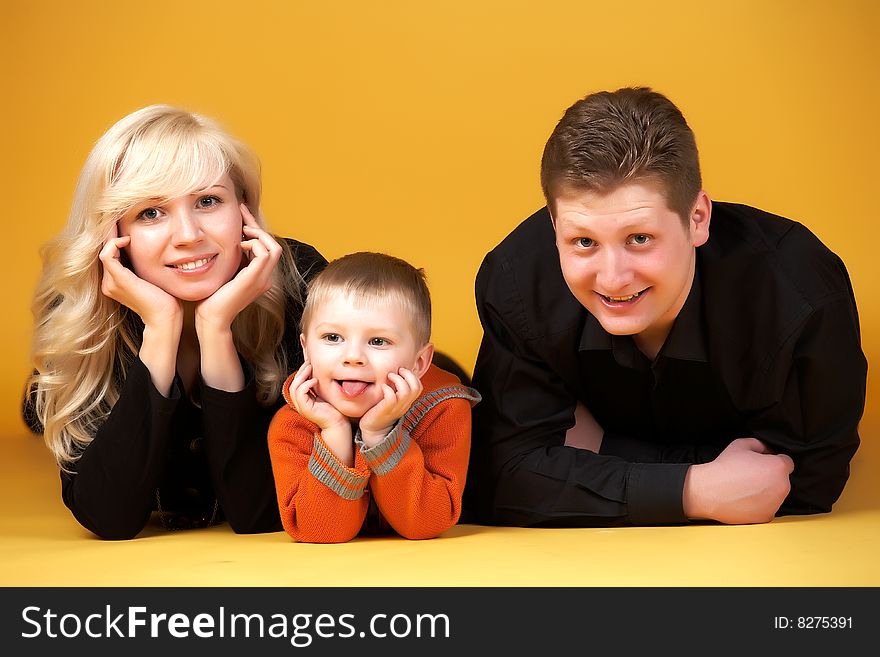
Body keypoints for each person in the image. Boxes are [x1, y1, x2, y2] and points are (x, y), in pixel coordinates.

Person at [464, 87, 867, 527]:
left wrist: (599, 450)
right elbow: (499, 476)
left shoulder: (799, 291)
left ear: (697, 219)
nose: (613, 278)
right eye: (583, 242)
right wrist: (694, 489)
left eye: (640, 239)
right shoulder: (518, 281)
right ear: (554, 225)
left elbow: (806, 482)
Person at [23, 105, 327, 539]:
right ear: (111, 233)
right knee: (37, 405)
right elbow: (108, 516)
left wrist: (216, 328)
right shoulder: (80, 313)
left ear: (244, 211)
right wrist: (162, 327)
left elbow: (261, 510)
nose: (187, 235)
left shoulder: (302, 284)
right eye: (150, 212)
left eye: (208, 201)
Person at [268, 252, 480, 543]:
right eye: (332, 337)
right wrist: (335, 433)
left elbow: (426, 524)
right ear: (306, 350)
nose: (353, 357)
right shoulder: (293, 424)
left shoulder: (443, 410)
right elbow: (320, 531)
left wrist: (379, 436)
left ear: (419, 362)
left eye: (378, 341)